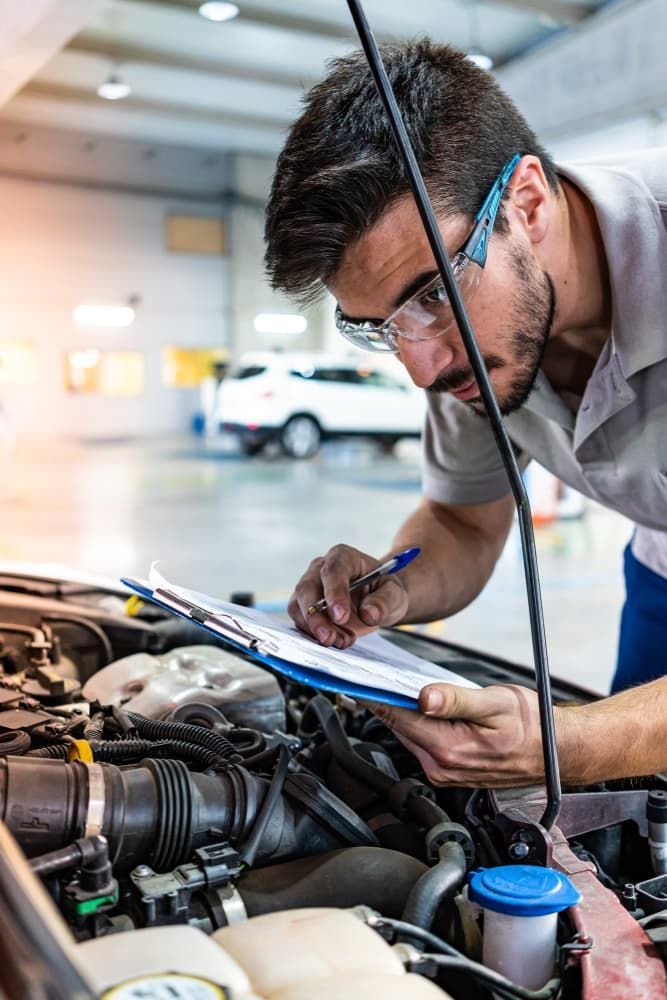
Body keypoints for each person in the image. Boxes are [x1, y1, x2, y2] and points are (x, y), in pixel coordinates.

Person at [263, 41, 667, 787]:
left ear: (527, 203)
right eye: (379, 325)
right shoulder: (464, 350)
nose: (421, 366)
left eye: (431, 294)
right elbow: (463, 523)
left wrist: (572, 743)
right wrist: (393, 589)